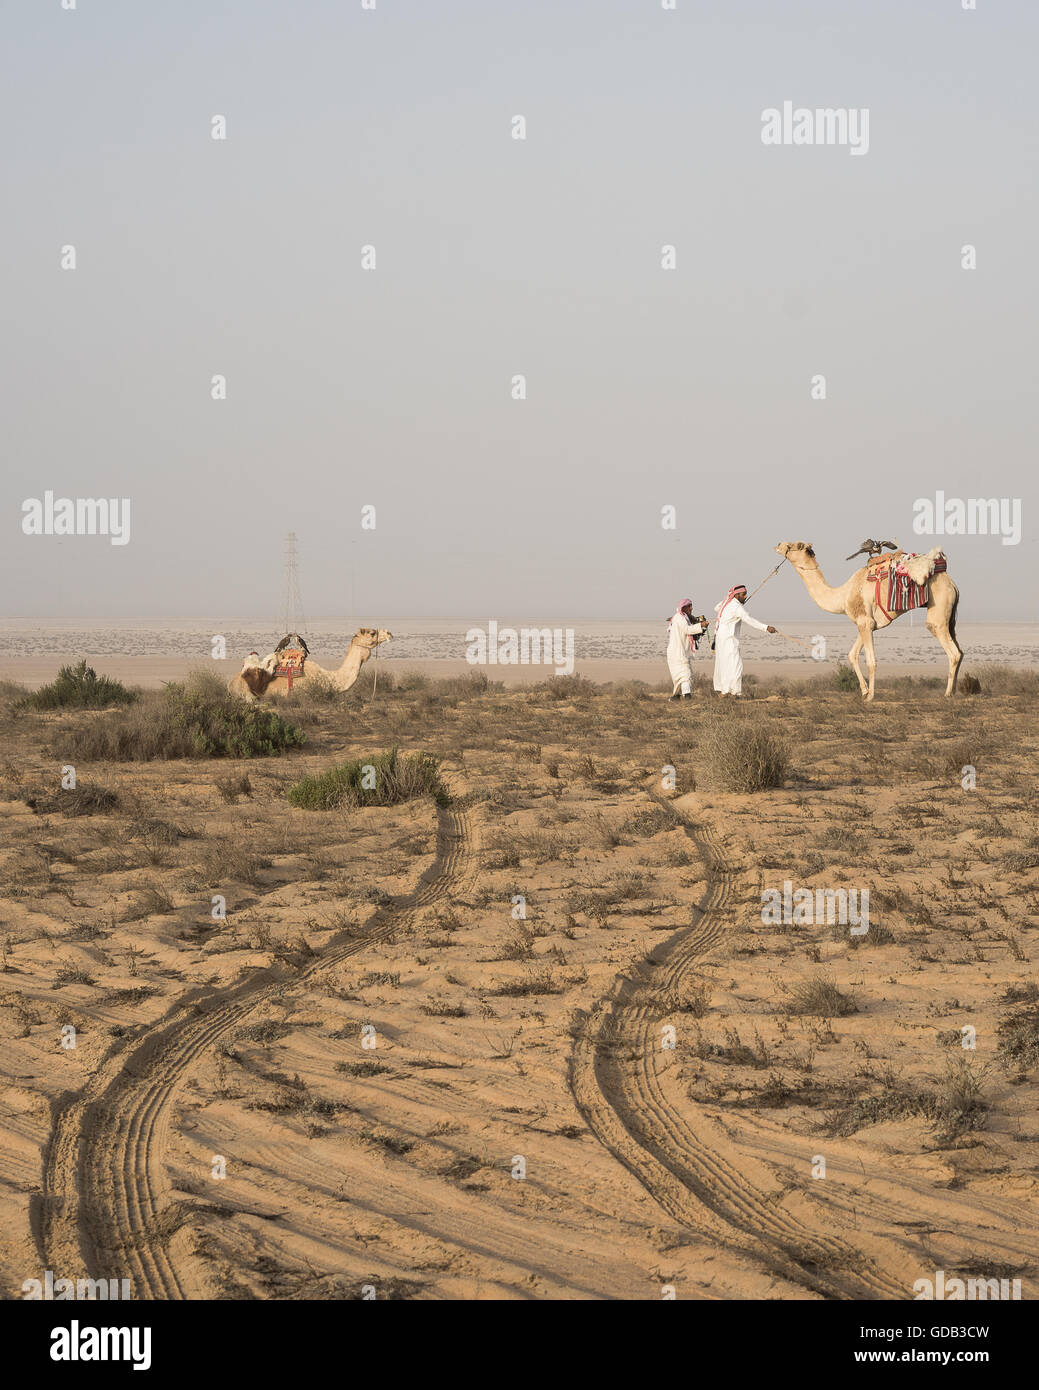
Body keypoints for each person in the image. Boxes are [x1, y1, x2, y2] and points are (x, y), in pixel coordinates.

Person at [712, 585, 777, 696]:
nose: (745, 596)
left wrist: (735, 602)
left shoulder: (725, 604)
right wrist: (766, 628)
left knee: (724, 666)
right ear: (736, 595)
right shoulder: (737, 608)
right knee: (736, 666)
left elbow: (716, 608)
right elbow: (749, 620)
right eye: (743, 594)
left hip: (720, 640)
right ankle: (735, 693)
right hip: (729, 641)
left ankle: (725, 691)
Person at [666, 599, 707, 699]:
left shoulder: (683, 618)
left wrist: (698, 626)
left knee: (682, 674)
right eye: (689, 606)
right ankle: (687, 695)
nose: (691, 608)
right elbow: (687, 630)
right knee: (685, 673)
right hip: (678, 652)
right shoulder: (679, 618)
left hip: (679, 651)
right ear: (683, 608)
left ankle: (676, 696)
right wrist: (700, 625)